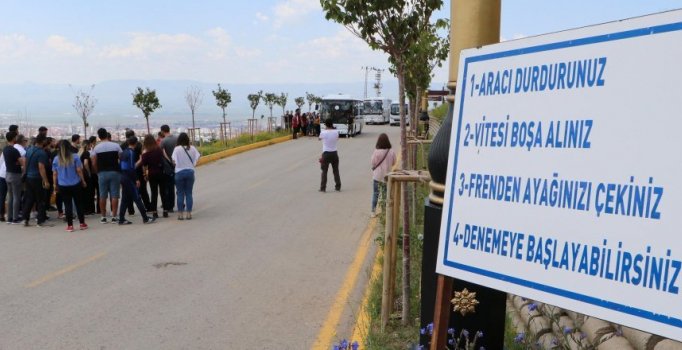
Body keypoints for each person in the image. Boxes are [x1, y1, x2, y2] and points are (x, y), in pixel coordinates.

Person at [118, 136, 156, 225]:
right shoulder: (132, 153)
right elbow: (132, 167)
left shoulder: (123, 152)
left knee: (124, 199)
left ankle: (121, 218)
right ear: (135, 143)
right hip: (129, 178)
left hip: (123, 176)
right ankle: (145, 218)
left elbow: (121, 165)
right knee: (137, 198)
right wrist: (136, 179)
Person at [53, 140, 88, 232]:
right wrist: (83, 180)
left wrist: (54, 184)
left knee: (67, 204)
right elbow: (79, 170)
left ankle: (70, 225)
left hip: (63, 184)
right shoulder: (75, 157)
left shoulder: (56, 159)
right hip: (75, 183)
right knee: (79, 203)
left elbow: (55, 173)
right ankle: (82, 223)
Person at [91, 128, 122, 224]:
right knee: (114, 195)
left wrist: (97, 172)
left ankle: (103, 217)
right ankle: (114, 216)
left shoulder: (96, 148)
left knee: (102, 195)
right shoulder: (116, 146)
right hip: (114, 172)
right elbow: (121, 158)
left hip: (102, 173)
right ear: (107, 135)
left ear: (99, 137)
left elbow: (94, 162)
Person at [22, 134, 53, 227]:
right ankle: (41, 221)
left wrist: (25, 173)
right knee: (41, 200)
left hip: (29, 178)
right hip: (37, 179)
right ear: (43, 141)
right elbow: (41, 167)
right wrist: (46, 181)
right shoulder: (41, 153)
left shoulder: (29, 149)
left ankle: (25, 219)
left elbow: (25, 162)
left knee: (29, 199)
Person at [171, 132, 200, 220]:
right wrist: (193, 164)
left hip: (179, 173)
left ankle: (180, 214)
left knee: (180, 194)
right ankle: (189, 214)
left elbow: (173, 161)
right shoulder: (192, 148)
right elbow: (198, 157)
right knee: (189, 193)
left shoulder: (177, 149)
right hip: (190, 172)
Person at [370, 133, 397, 217]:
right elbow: (394, 162)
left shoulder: (376, 151)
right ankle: (385, 212)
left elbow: (373, 163)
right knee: (385, 194)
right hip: (386, 176)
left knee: (375, 194)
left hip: (377, 176)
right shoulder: (391, 151)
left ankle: (373, 212)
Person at [138, 134, 164, 219]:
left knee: (154, 193)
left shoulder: (145, 152)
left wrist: (145, 174)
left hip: (152, 174)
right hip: (160, 172)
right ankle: (165, 211)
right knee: (162, 192)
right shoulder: (159, 150)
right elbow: (162, 159)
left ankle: (154, 212)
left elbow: (144, 164)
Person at [3, 131, 23, 224]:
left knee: (10, 197)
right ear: (14, 138)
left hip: (8, 174)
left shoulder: (5, 149)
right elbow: (21, 162)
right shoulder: (14, 150)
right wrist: (18, 163)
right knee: (16, 196)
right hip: (15, 174)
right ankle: (15, 218)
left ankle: (9, 218)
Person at [318, 119, 341, 192]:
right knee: (336, 171)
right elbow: (337, 139)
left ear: (326, 125)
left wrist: (325, 131)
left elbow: (319, 139)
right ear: (332, 124)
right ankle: (338, 186)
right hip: (334, 153)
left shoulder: (323, 132)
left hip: (326, 153)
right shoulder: (336, 132)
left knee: (324, 171)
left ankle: (323, 188)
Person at [160, 124, 177, 218]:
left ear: (162, 131)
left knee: (169, 187)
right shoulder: (176, 138)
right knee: (176, 186)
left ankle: (170, 206)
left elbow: (160, 152)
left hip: (168, 166)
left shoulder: (163, 141)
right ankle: (179, 202)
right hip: (177, 164)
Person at [80, 139, 97, 215]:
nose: (91, 147)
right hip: (87, 174)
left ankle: (84, 209)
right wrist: (89, 172)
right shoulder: (86, 153)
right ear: (87, 145)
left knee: (84, 192)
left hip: (82, 174)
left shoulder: (80, 153)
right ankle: (89, 209)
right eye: (90, 145)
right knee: (90, 192)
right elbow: (86, 163)